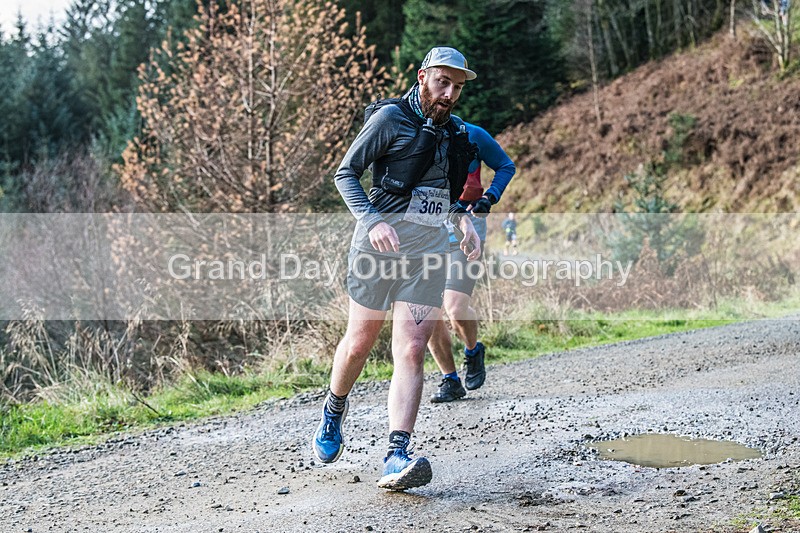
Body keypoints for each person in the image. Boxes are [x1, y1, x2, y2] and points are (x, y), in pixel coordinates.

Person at [311, 47, 481, 491]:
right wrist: (373, 221)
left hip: (427, 254)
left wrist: (464, 222)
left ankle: (396, 454)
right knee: (359, 343)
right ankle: (334, 409)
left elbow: (444, 195)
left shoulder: (456, 133)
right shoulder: (390, 120)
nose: (449, 94)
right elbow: (346, 173)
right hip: (376, 250)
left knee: (411, 349)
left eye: (457, 87)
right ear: (422, 77)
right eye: (442, 82)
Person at [427, 124, 516, 403]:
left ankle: (473, 350)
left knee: (454, 307)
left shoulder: (471, 133)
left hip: (468, 227)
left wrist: (490, 197)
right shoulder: (416, 133)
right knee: (426, 311)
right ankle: (450, 380)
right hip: (427, 230)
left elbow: (506, 166)